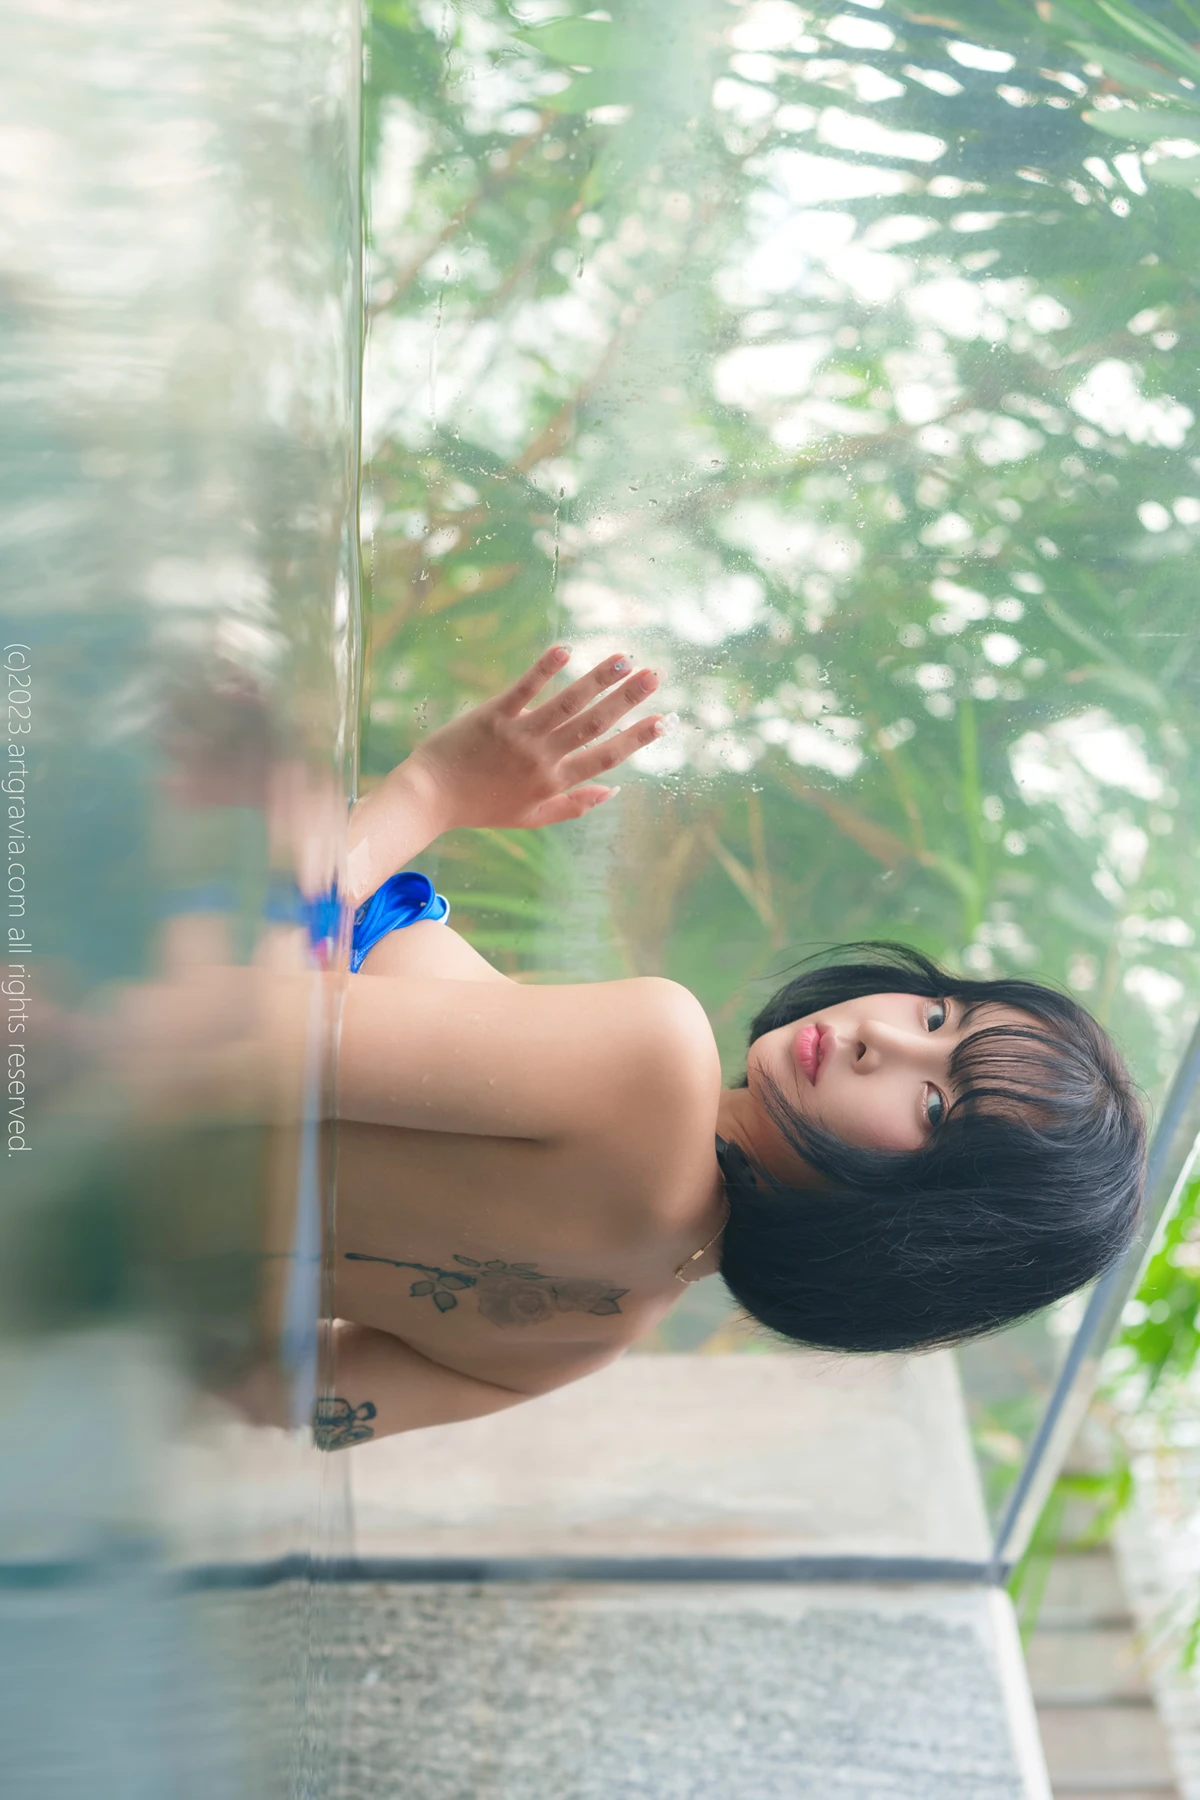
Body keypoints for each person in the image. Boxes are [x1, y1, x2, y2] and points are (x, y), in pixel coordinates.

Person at [322, 645, 1146, 1450]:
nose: (881, 1037)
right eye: (938, 1018)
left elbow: (239, 1028)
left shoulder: (655, 1061)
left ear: (923, 1233)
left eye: (934, 1107)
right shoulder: (581, 1342)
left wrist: (433, 790)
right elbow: (286, 1398)